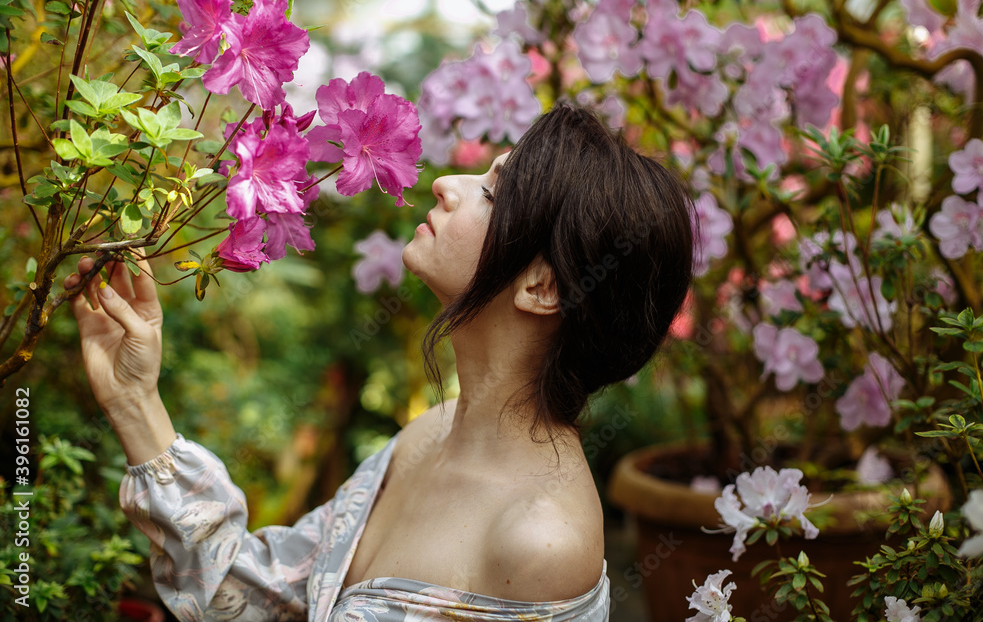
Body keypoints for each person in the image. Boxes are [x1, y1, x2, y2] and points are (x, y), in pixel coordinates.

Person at [65, 103, 694, 621]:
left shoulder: (539, 542)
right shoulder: (430, 433)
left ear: (542, 287)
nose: (448, 183)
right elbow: (261, 599)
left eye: (493, 192)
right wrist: (133, 399)